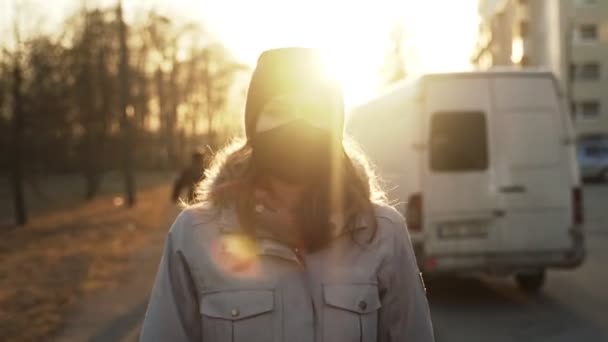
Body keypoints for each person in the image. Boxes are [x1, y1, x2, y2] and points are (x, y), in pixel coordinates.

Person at [140, 47, 434, 342]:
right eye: (278, 111)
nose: (296, 125)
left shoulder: (382, 232)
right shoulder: (194, 234)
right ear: (253, 126)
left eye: (314, 111)